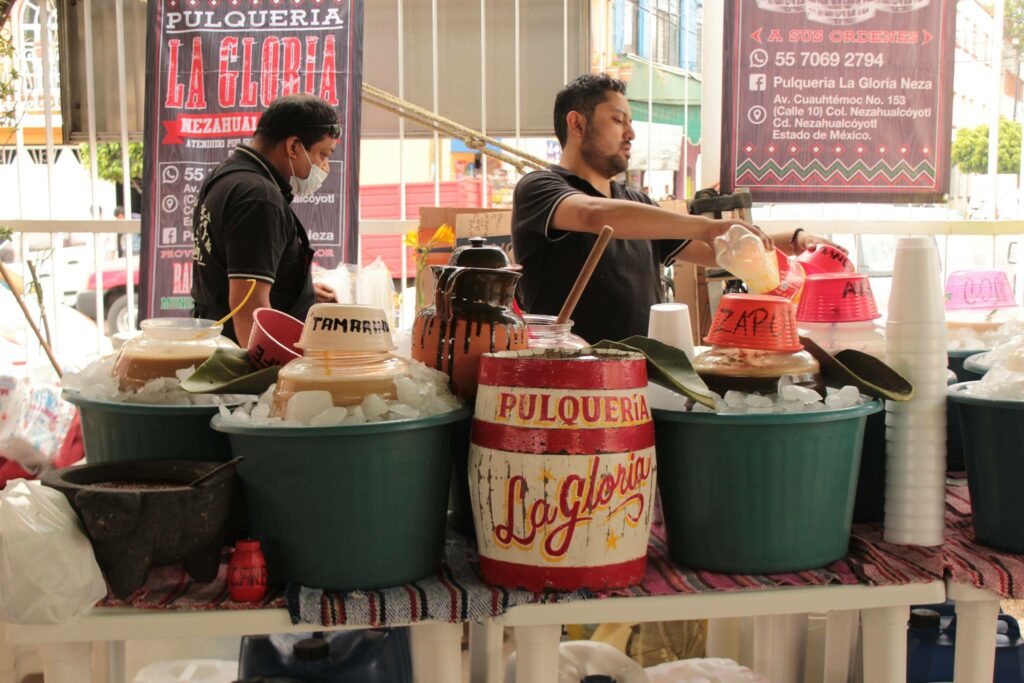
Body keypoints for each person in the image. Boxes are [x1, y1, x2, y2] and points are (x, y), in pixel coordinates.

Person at [511, 73, 841, 343]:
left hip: (643, 376)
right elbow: (593, 215)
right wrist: (706, 226)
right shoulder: (540, 188)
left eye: (630, 122)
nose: (631, 133)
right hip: (569, 377)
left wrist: (796, 240)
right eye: (618, 120)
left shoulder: (637, 203)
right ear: (577, 123)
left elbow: (722, 251)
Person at [191, 94, 338, 345]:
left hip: (218, 341)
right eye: (323, 154)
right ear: (293, 147)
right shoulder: (259, 198)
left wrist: (300, 291)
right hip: (243, 360)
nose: (324, 167)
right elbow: (249, 309)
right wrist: (273, 379)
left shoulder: (226, 175)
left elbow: (238, 266)